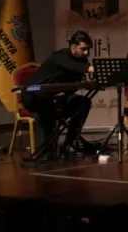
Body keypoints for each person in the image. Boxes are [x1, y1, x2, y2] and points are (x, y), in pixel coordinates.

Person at [22, 31, 95, 160]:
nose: (86, 53)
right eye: (83, 49)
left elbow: (73, 81)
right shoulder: (59, 56)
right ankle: (46, 150)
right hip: (37, 97)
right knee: (46, 108)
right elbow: (75, 67)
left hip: (59, 98)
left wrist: (67, 92)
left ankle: (69, 144)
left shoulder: (82, 60)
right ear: (73, 47)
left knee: (83, 103)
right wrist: (94, 69)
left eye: (88, 50)